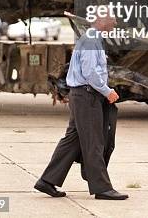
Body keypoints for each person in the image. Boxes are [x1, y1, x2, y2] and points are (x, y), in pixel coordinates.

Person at [34, 14, 128, 201]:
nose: (116, 23)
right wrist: (107, 91)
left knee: (72, 140)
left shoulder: (92, 39)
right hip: (87, 96)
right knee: (93, 141)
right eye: (113, 19)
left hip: (81, 96)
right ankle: (102, 188)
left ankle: (47, 180)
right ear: (101, 20)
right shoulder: (92, 40)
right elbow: (90, 71)